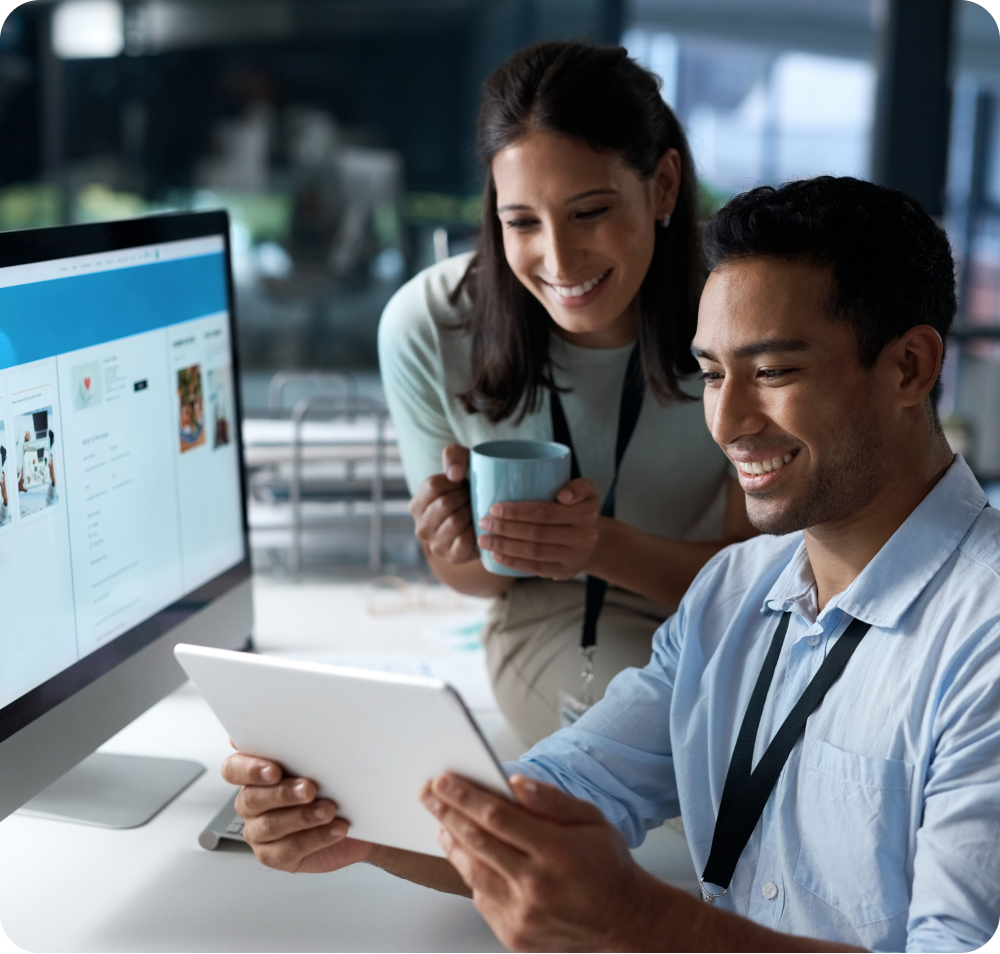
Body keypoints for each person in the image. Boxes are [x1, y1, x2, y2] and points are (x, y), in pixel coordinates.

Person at [225, 176, 1000, 952]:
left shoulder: (983, 639)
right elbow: (559, 797)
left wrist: (640, 921)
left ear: (910, 367)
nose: (727, 423)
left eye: (772, 373)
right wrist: (354, 824)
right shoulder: (734, 592)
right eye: (713, 374)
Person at [379, 42, 754, 744]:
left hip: (722, 611)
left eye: (589, 212)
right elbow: (476, 583)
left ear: (664, 185)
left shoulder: (741, 314)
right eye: (521, 221)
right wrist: (461, 540)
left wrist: (597, 545)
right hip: (549, 619)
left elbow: (764, 589)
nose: (558, 259)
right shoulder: (428, 325)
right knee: (697, 762)